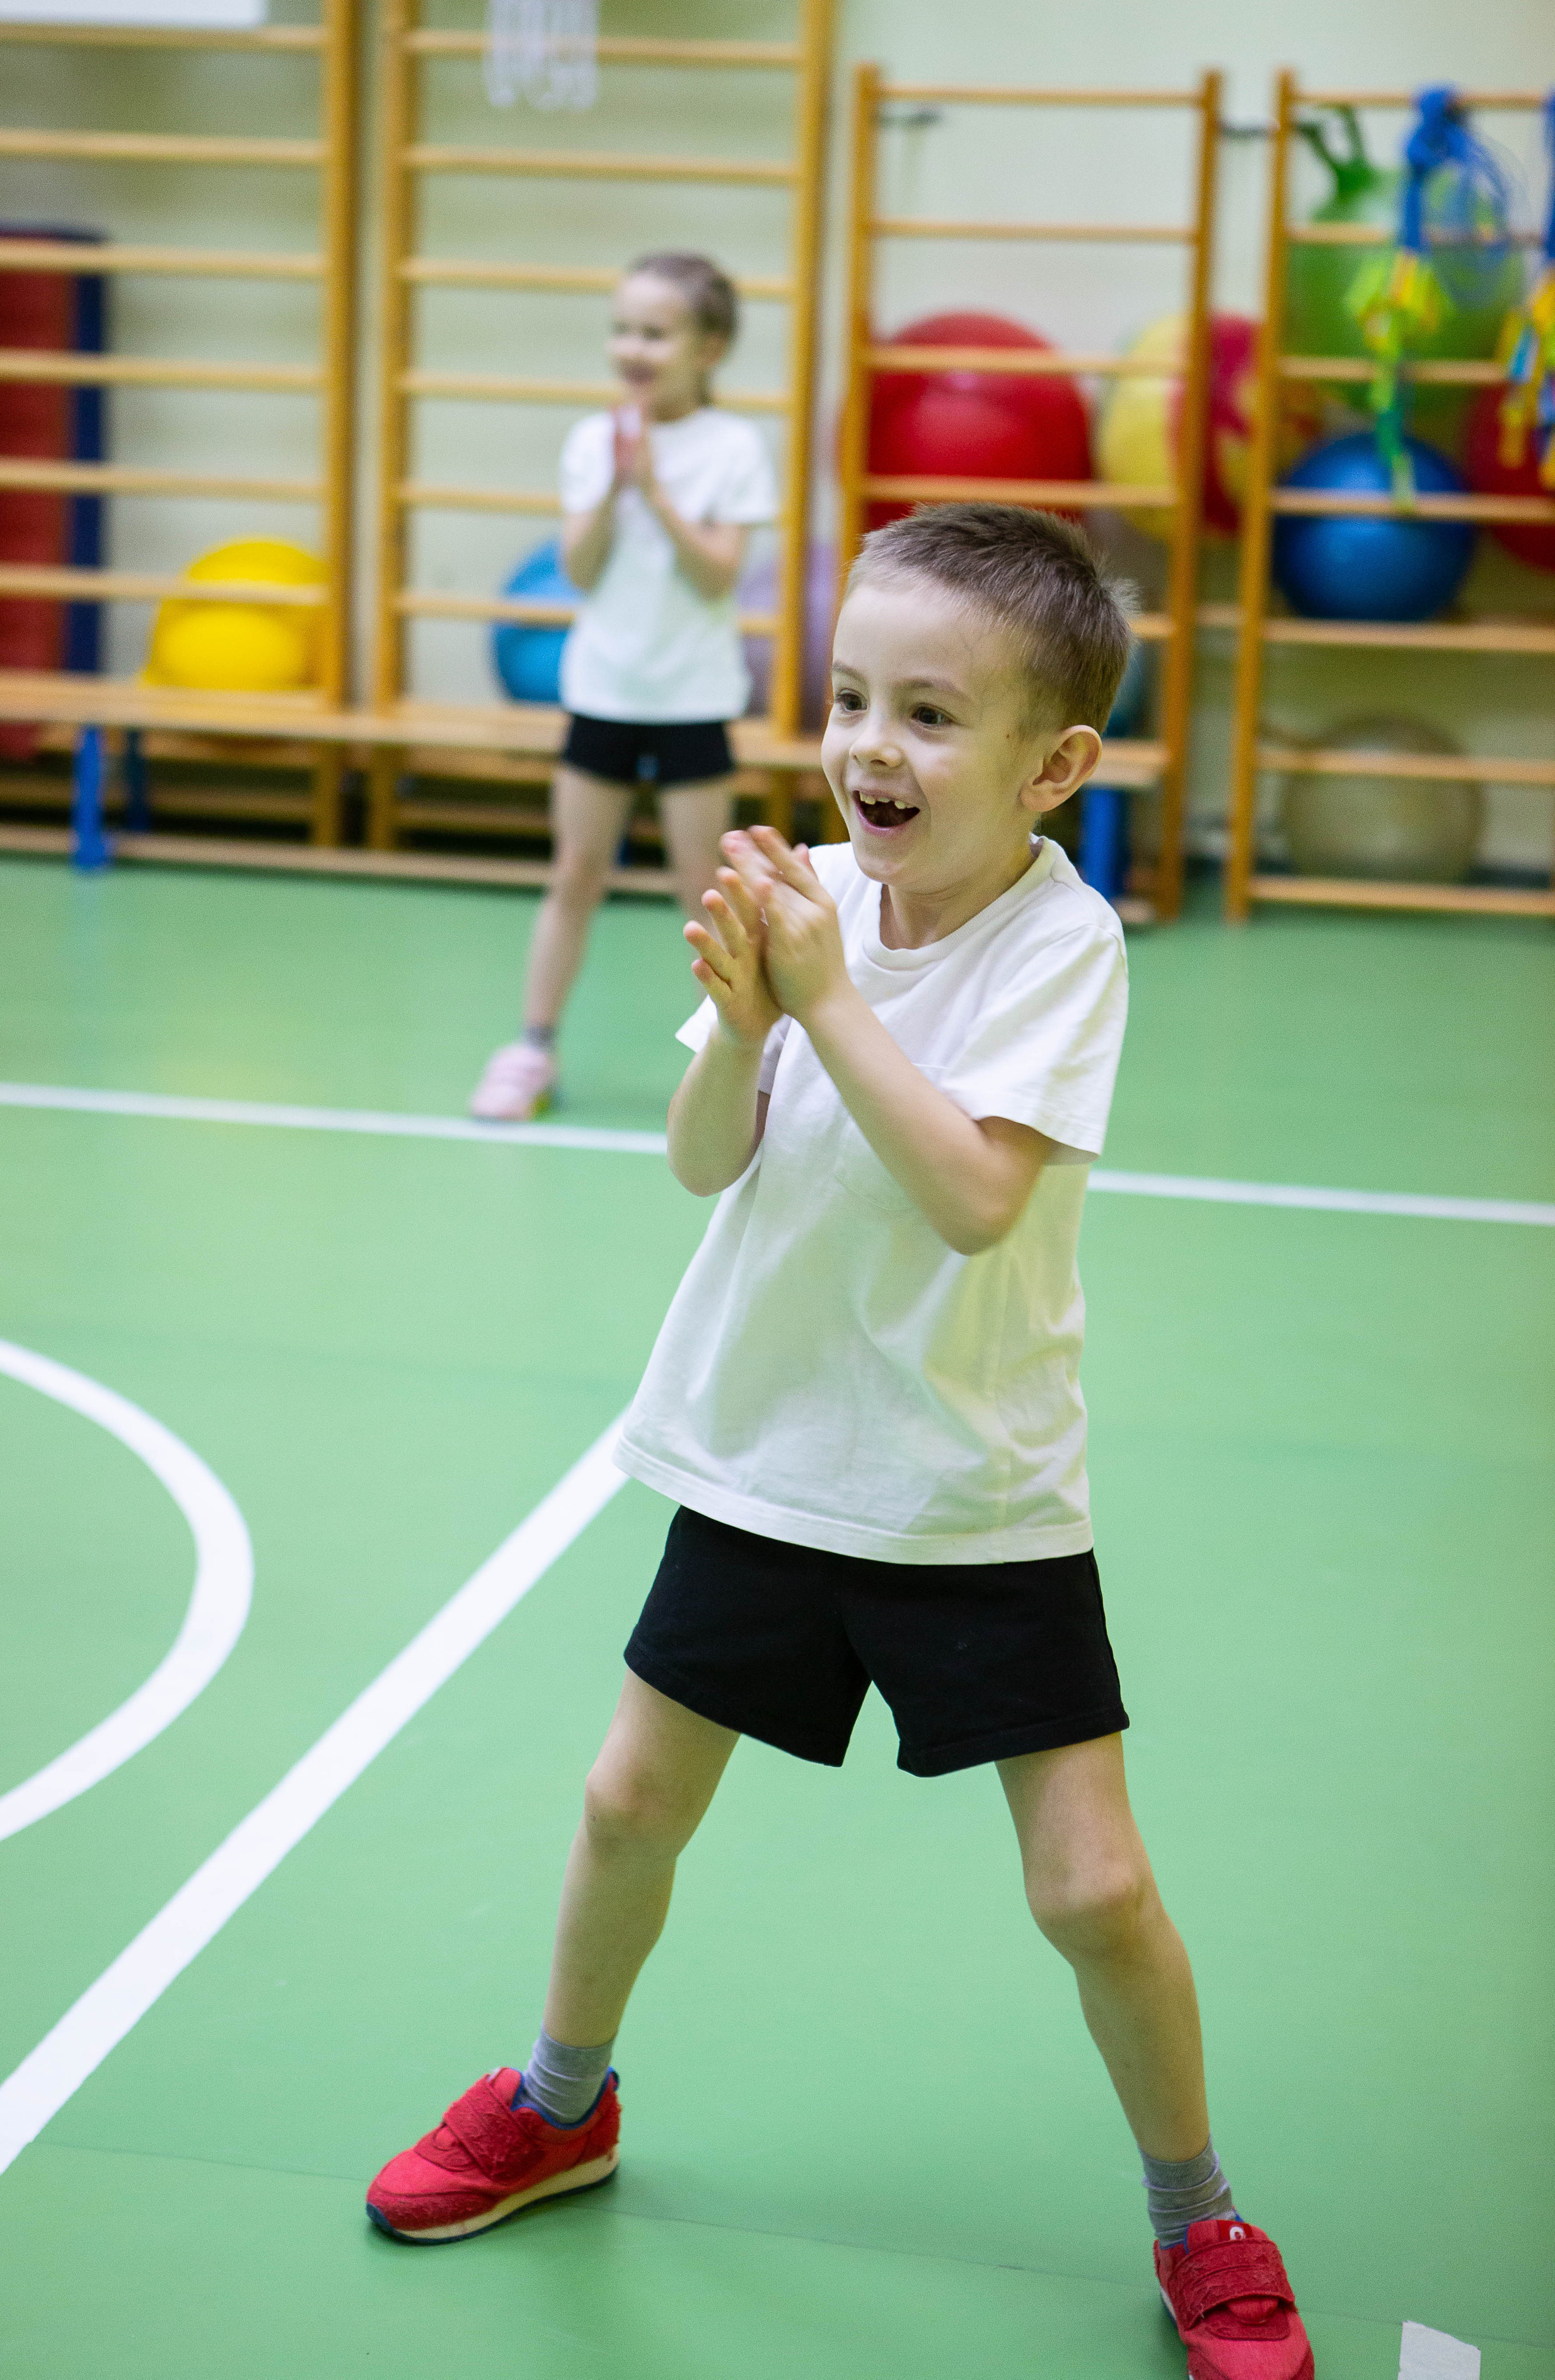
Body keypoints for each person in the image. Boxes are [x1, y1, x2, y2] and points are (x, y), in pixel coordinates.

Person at [371, 505, 1312, 2380]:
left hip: (973, 1493)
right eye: (851, 698)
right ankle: (562, 2102)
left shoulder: (1062, 947)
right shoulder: (807, 896)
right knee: (627, 1806)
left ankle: (1197, 2212)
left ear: (1053, 766)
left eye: (931, 716)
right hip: (763, 1457)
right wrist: (741, 1027)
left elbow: (973, 1195)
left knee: (1092, 1889)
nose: (871, 745)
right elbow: (701, 1161)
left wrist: (817, 997)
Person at [470, 251, 778, 1122]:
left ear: (708, 348)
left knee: (703, 891)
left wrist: (658, 493)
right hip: (603, 692)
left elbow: (719, 575)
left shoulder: (733, 448)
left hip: (692, 700)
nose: (633, 348)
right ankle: (532, 1046)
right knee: (575, 871)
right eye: (624, 330)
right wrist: (612, 486)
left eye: (655, 333)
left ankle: (745, 1062)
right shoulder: (591, 441)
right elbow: (580, 568)